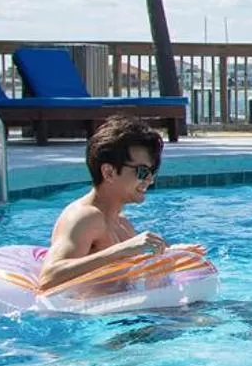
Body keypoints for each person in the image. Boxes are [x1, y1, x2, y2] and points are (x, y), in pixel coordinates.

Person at [38, 117, 178, 293]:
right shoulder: (85, 217)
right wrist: (121, 250)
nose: (150, 180)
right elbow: (48, 279)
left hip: (128, 314)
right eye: (142, 172)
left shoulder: (121, 221)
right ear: (109, 172)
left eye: (152, 172)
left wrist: (173, 253)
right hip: (99, 318)